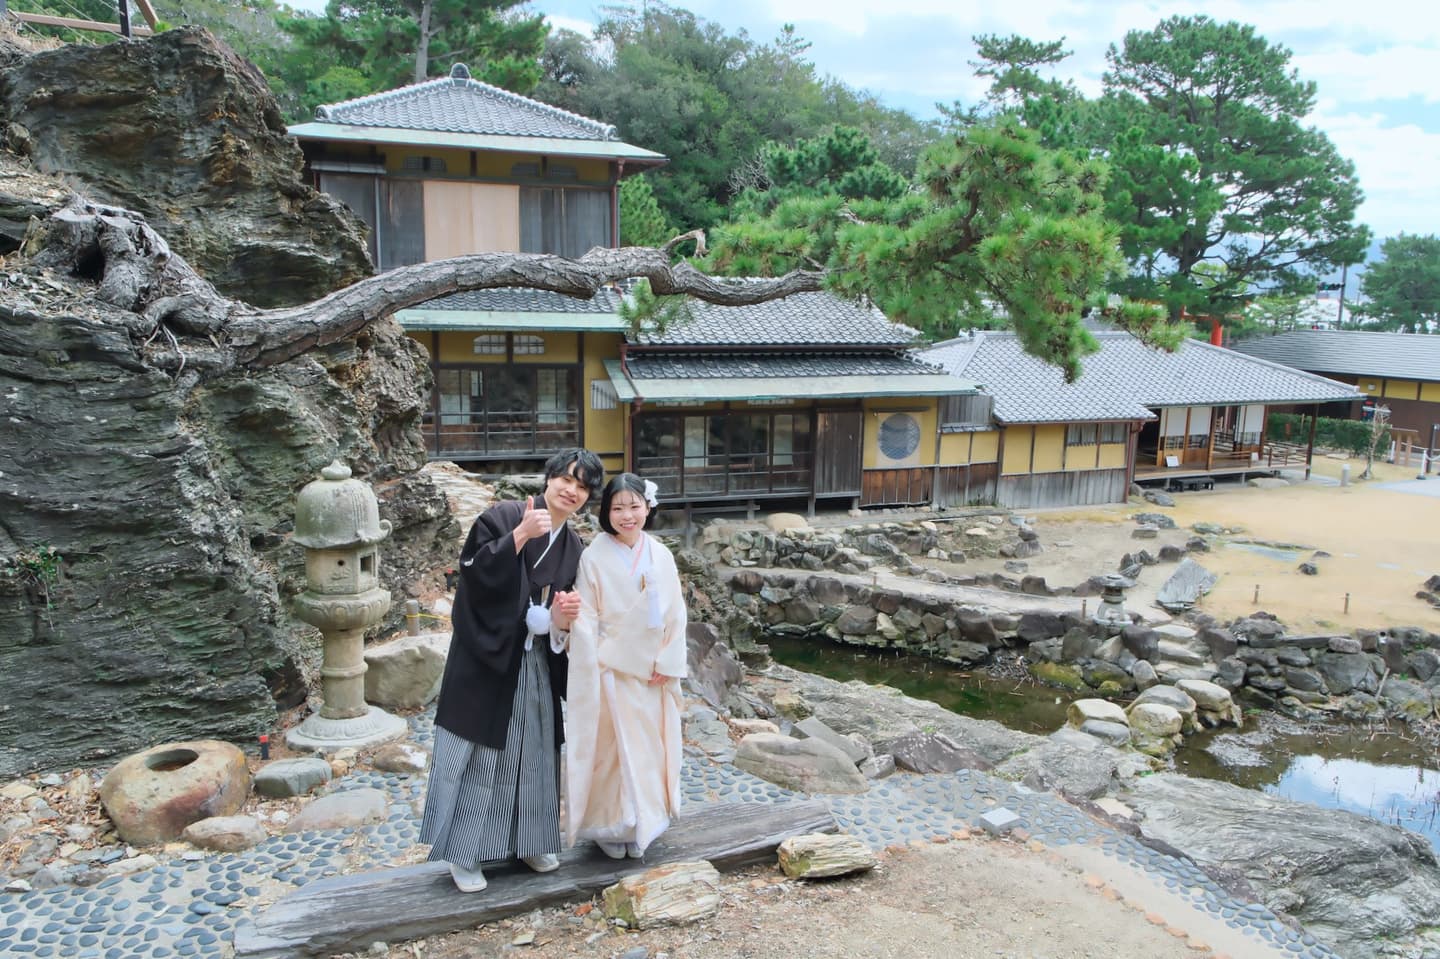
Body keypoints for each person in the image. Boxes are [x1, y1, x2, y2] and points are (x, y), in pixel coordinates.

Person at [420, 448, 603, 892]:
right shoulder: (503, 515)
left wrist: (560, 623)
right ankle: (465, 855)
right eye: (566, 479)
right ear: (549, 478)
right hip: (488, 659)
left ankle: (530, 840)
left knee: (536, 752)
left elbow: (559, 612)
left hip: (534, 660)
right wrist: (518, 537)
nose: (571, 491)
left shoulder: (574, 545)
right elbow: (472, 577)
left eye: (582, 487)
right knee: (481, 755)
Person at [562, 472, 688, 859]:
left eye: (634, 506)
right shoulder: (594, 556)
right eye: (618, 508)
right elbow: (585, 617)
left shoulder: (661, 554)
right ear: (606, 513)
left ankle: (645, 820)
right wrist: (599, 659)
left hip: (652, 672)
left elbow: (676, 614)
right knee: (613, 752)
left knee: (649, 748)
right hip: (610, 670)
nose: (627, 515)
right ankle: (610, 826)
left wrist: (667, 660)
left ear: (647, 508)